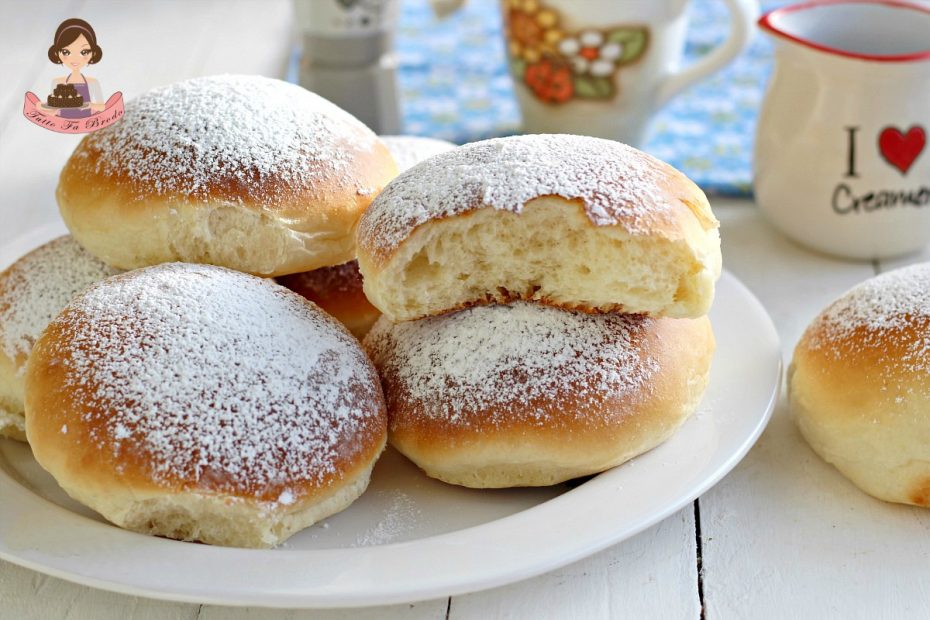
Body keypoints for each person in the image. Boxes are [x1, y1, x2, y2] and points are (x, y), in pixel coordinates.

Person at [47, 18, 105, 119]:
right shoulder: (57, 82)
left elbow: (102, 106)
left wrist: (90, 105)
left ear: (93, 53)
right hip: (62, 123)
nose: (74, 58)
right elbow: (52, 109)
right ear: (56, 53)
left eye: (84, 52)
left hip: (87, 122)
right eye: (66, 52)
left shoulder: (92, 82)